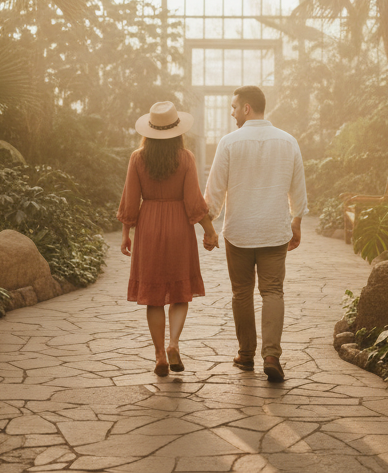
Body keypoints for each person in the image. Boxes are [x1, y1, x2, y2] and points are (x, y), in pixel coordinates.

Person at [203, 85, 307, 383]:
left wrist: (209, 224)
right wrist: (296, 220)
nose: (232, 113)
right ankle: (271, 355)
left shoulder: (229, 142)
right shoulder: (288, 141)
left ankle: (246, 354)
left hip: (239, 232)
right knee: (273, 291)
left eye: (234, 107)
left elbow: (215, 190)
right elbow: (298, 186)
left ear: (247, 108)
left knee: (242, 292)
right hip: (275, 230)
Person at [119, 100, 220, 377]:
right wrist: (209, 231)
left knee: (153, 297)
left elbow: (130, 199)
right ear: (177, 130)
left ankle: (159, 354)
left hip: (148, 226)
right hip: (178, 227)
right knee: (179, 291)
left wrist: (127, 234)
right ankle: (174, 343)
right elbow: (193, 202)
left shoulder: (137, 158)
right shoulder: (185, 158)